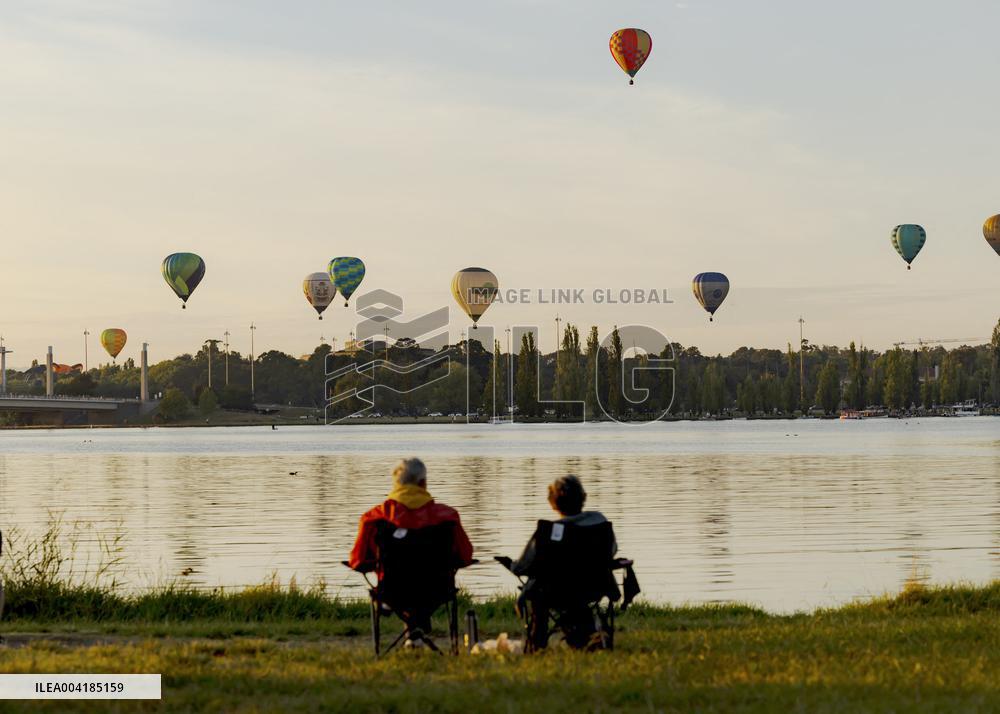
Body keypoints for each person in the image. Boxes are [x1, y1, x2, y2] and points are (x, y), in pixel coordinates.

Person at [348, 458, 473, 637]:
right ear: (423, 483)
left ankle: (412, 630)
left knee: (400, 589)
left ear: (395, 485)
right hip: (437, 590)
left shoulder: (374, 518)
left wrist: (370, 563)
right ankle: (418, 629)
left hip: (392, 591)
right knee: (423, 590)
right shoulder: (447, 517)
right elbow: (465, 556)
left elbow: (358, 561)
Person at [512, 475, 617, 650]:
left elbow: (526, 564)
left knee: (537, 590)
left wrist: (513, 566)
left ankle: (538, 640)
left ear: (553, 502)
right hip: (594, 587)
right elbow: (611, 551)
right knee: (563, 594)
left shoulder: (549, 533)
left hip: (554, 593)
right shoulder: (599, 522)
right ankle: (585, 636)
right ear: (583, 498)